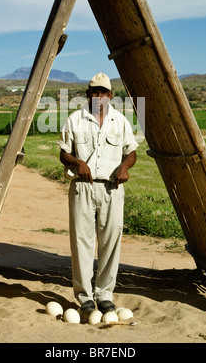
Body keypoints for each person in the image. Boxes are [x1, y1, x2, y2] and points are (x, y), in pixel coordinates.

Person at [58, 72, 138, 315]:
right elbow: (63, 154)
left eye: (104, 92)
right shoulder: (74, 120)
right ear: (88, 94)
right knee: (81, 241)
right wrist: (78, 162)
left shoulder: (120, 121)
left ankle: (104, 294)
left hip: (112, 188)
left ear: (111, 96)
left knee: (111, 240)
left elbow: (131, 152)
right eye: (95, 91)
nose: (99, 96)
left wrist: (125, 167)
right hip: (83, 186)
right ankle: (84, 296)